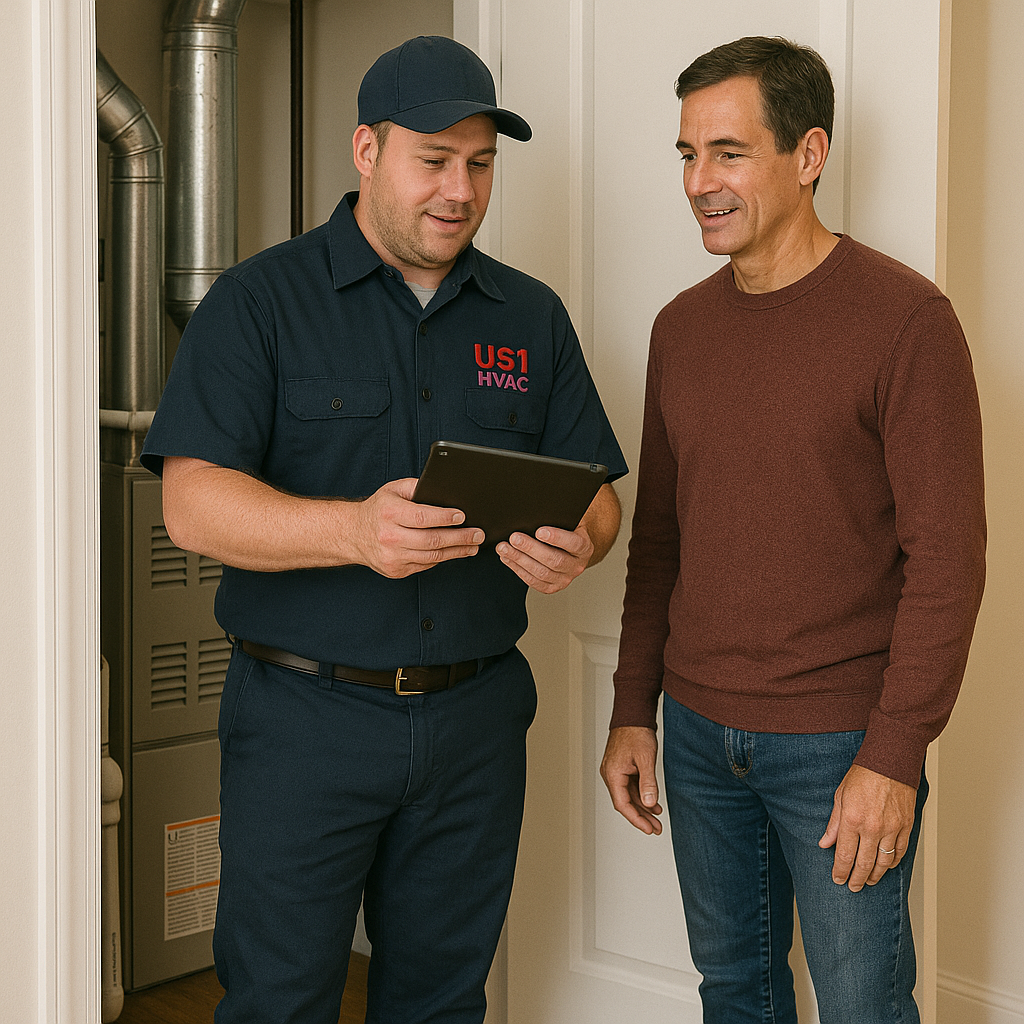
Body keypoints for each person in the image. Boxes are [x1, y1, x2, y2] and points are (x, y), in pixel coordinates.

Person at [142, 35, 626, 1024]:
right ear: (366, 151)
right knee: (280, 998)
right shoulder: (258, 303)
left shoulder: (530, 316)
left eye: (481, 163)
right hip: (302, 723)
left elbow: (598, 495)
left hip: (478, 723)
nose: (460, 189)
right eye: (434, 160)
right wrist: (354, 532)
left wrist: (584, 539)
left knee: (443, 1002)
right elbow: (190, 502)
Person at [600, 35, 985, 1023]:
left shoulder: (905, 320)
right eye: (687, 154)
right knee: (736, 995)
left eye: (727, 152)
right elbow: (660, 541)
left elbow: (947, 562)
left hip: (839, 742)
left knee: (861, 1004)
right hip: (693, 733)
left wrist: (893, 754)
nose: (698, 182)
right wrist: (631, 706)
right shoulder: (679, 329)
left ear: (807, 154)